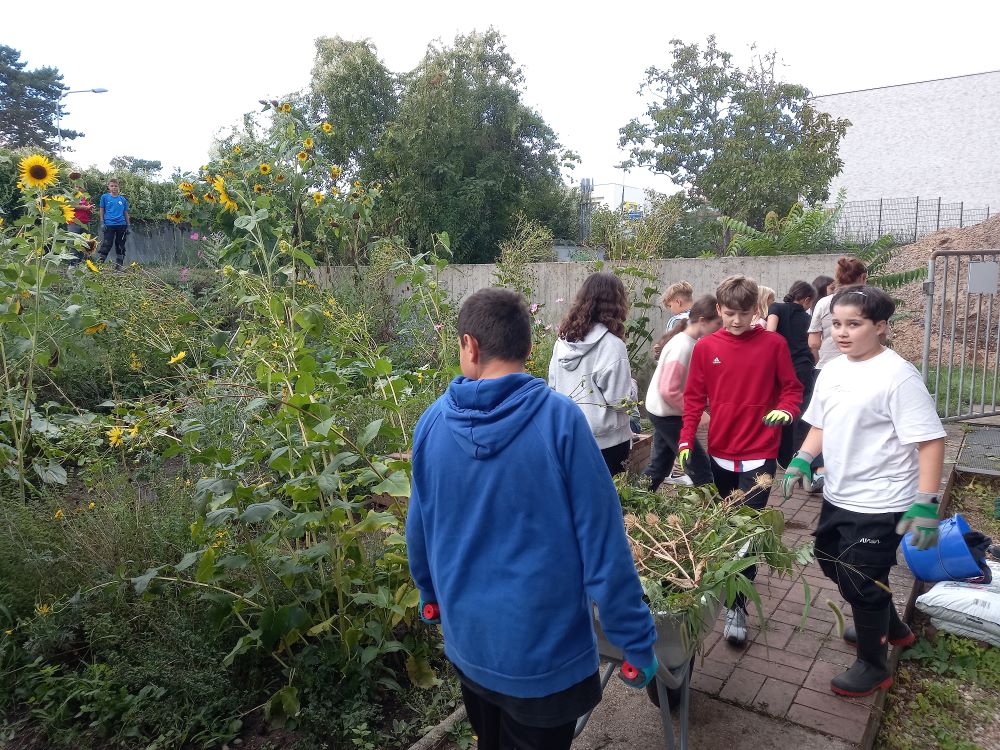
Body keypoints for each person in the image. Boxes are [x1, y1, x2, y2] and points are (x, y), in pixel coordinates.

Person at [407, 288, 658, 750]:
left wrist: (429, 592)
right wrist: (635, 640)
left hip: (470, 643)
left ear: (470, 346)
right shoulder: (560, 422)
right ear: (528, 348)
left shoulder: (431, 424)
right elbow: (603, 545)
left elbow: (420, 527)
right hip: (545, 657)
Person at [783, 285, 945, 697]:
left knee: (861, 580)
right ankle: (890, 625)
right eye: (836, 323)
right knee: (828, 558)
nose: (841, 332)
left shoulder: (897, 376)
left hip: (882, 500)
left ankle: (874, 666)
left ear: (880, 326)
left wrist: (925, 502)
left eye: (853, 324)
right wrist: (803, 457)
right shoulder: (834, 369)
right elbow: (820, 423)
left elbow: (929, 441)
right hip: (839, 492)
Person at [678, 275, 803, 646]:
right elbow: (693, 398)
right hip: (719, 451)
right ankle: (722, 586)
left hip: (759, 453)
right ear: (718, 310)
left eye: (744, 314)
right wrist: (686, 439)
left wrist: (786, 409)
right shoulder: (705, 348)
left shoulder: (774, 344)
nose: (736, 320)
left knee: (745, 534)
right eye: (729, 313)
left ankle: (737, 605)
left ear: (756, 311)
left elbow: (792, 388)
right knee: (723, 530)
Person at [549, 272, 633, 475]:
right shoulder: (612, 346)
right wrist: (633, 387)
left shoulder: (562, 342)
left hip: (568, 436)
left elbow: (552, 387)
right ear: (617, 304)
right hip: (607, 442)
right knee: (608, 501)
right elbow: (620, 401)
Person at [642, 295, 721, 491]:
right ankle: (717, 512)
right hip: (668, 414)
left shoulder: (686, 341)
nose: (721, 328)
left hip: (661, 410)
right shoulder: (683, 346)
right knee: (701, 468)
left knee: (660, 466)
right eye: (718, 323)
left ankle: (634, 501)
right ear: (702, 321)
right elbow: (669, 390)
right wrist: (694, 412)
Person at [805, 258, 868, 491]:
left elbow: (813, 340)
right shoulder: (870, 302)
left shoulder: (823, 303)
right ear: (863, 277)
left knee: (824, 421)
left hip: (825, 368)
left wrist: (821, 359)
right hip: (863, 371)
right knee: (857, 421)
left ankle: (820, 471)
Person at [767, 281, 816, 468]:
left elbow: (770, 334)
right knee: (800, 412)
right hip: (802, 367)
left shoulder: (776, 307)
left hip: (780, 369)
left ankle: (782, 454)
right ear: (806, 299)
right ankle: (798, 454)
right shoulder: (807, 318)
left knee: (781, 408)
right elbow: (811, 345)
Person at [98, 178, 130, 267]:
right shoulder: (104, 197)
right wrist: (102, 222)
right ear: (108, 187)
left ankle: (119, 266)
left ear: (118, 187)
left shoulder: (122, 199)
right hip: (109, 224)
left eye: (116, 186)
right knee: (107, 243)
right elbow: (101, 209)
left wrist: (128, 225)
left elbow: (125, 213)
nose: (114, 188)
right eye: (112, 186)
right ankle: (99, 265)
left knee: (120, 245)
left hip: (122, 225)